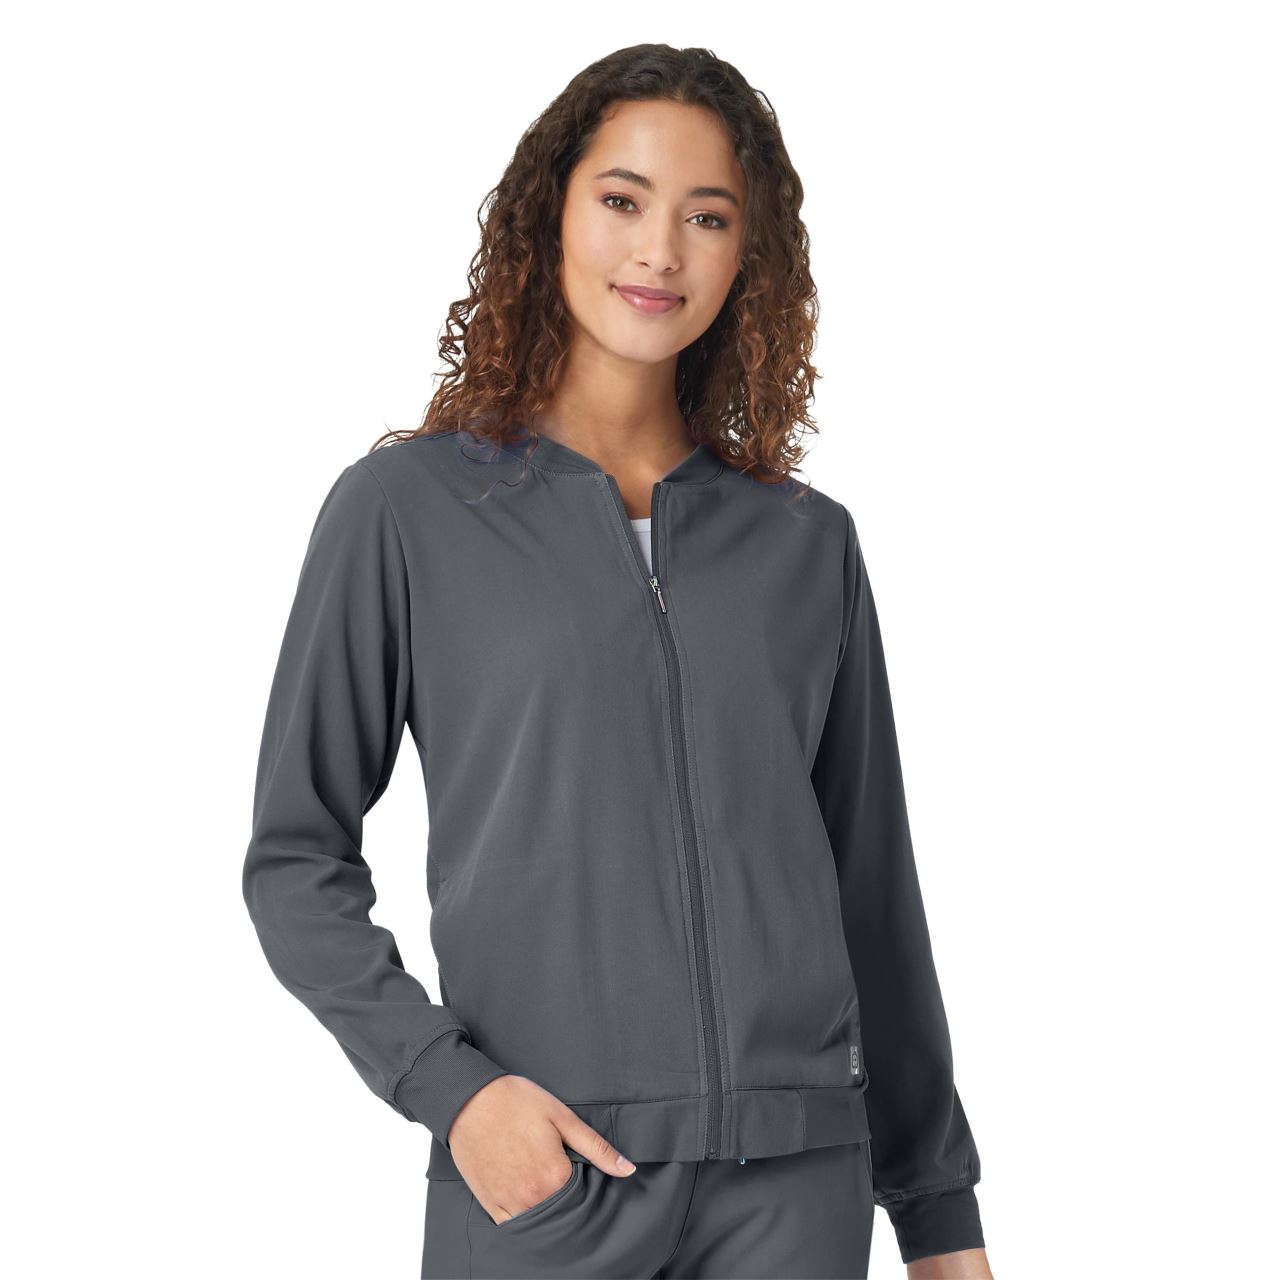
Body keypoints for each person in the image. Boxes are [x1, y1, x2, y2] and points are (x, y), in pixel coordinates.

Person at [242, 43, 994, 1280]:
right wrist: (452, 1091)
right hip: (546, 1179)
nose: (659, 251)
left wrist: (936, 1211)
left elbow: (870, 894)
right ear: (550, 213)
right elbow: (292, 858)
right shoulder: (406, 512)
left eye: (707, 216)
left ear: (748, 255)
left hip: (794, 1187)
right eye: (622, 199)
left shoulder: (802, 541)